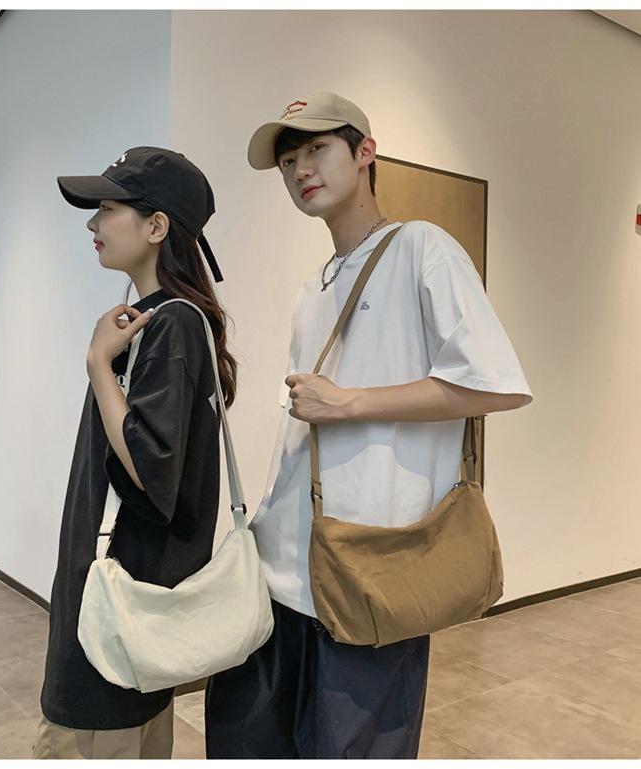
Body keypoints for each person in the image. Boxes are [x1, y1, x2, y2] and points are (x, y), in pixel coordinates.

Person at [204, 91, 533, 759]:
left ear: (365, 152)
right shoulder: (313, 288)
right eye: (288, 161)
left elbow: (494, 385)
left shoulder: (422, 249)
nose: (301, 169)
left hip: (371, 572)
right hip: (284, 565)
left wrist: (350, 402)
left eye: (317, 149)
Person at [32, 146, 237, 759]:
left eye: (108, 209)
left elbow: (151, 470)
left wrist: (99, 365)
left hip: (115, 609)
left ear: (156, 226)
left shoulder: (169, 324)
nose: (93, 224)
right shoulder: (162, 320)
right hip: (132, 605)